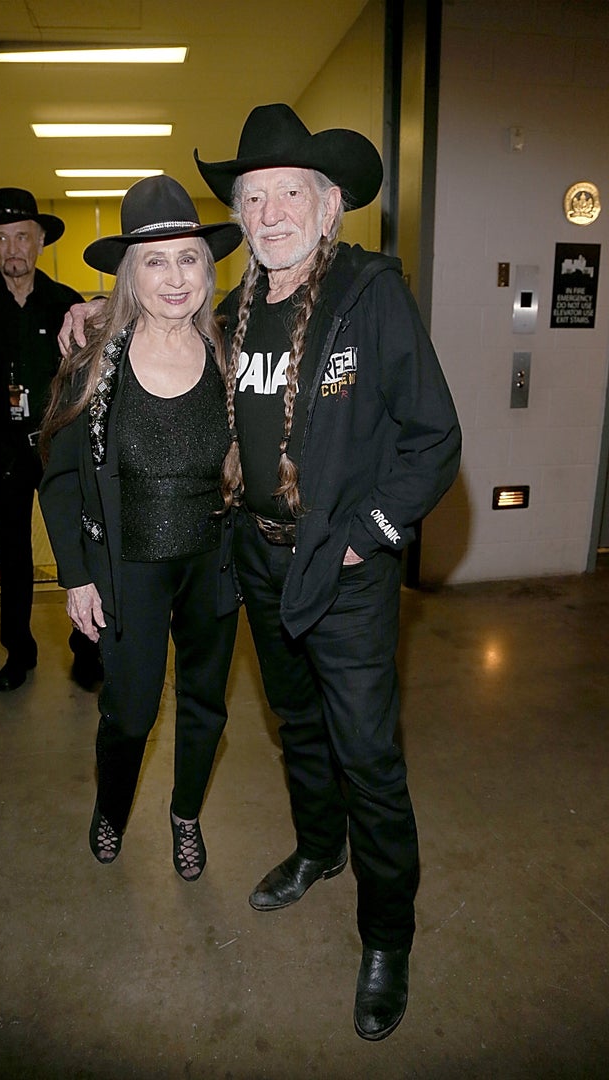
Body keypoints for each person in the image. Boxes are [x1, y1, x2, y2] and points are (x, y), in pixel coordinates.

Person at [191, 103, 461, 1039]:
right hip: (256, 559)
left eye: (286, 194)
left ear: (327, 201)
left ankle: (389, 934)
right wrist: (83, 330)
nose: (267, 213)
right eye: (251, 196)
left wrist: (368, 534)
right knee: (296, 726)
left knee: (368, 756)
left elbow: (433, 437)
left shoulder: (370, 294)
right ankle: (317, 850)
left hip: (342, 569)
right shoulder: (231, 312)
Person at [39, 176, 243, 879]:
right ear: (130, 274)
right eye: (154, 261)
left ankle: (185, 813)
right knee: (127, 715)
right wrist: (74, 577)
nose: (175, 277)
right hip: (127, 570)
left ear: (207, 269)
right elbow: (61, 478)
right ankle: (111, 805)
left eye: (188, 258)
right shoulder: (94, 362)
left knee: (204, 708)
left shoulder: (230, 353)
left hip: (213, 564)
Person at [0, 188, 101, 692]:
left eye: (23, 238)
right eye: (2, 238)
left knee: (77, 549)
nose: (13, 248)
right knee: (12, 553)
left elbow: (92, 375)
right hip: (6, 450)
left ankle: (87, 647)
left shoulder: (65, 304)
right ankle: (18, 651)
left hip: (59, 447)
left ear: (39, 243)